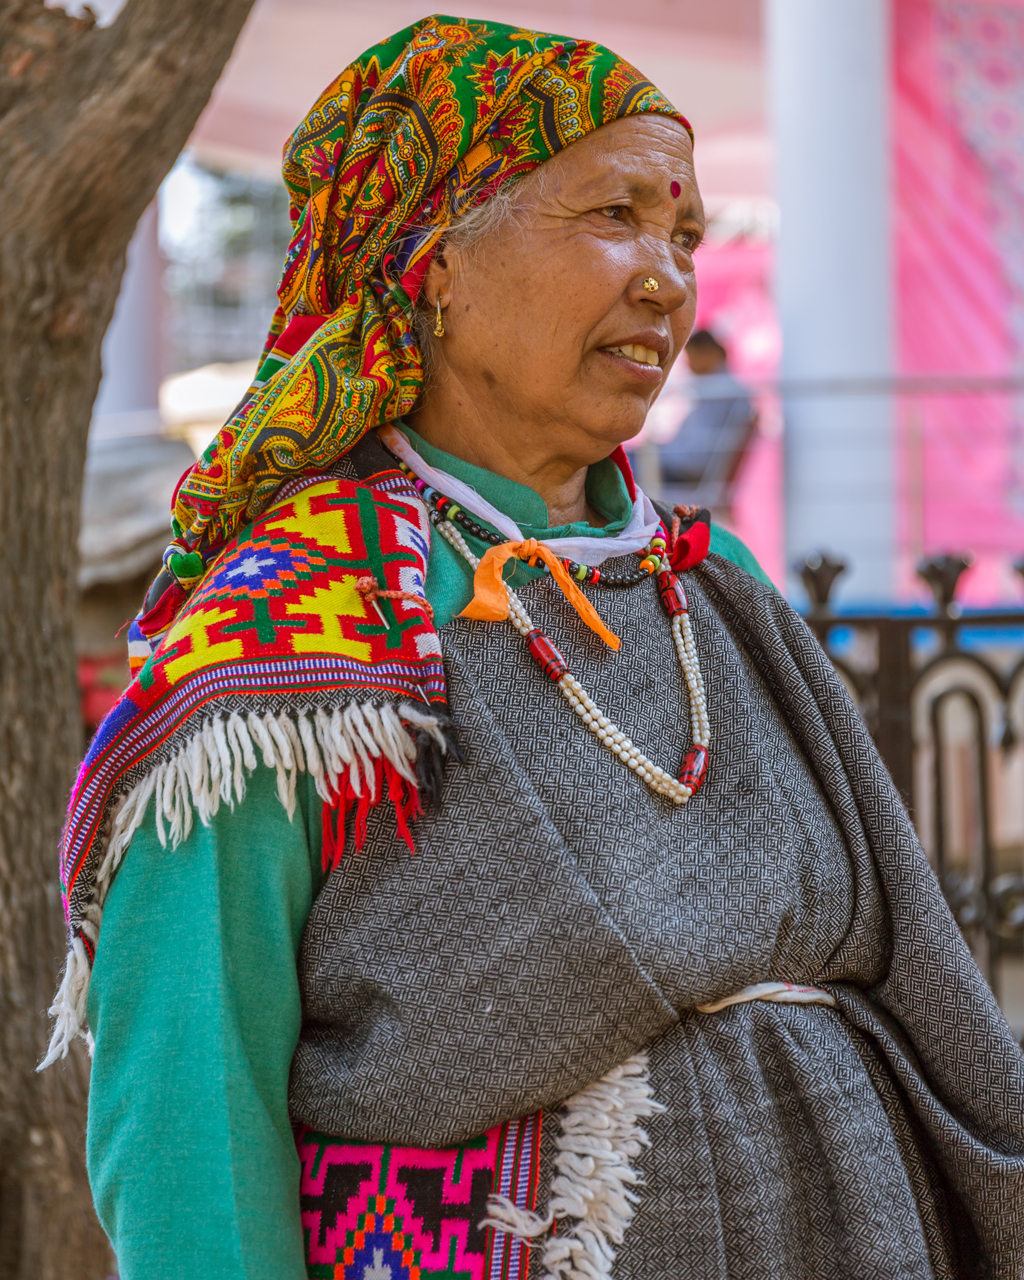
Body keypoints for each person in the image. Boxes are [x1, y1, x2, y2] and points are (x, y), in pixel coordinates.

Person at [44, 15, 1024, 1280]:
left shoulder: (709, 589)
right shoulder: (291, 633)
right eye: (613, 213)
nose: (668, 276)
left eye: (682, 233)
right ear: (435, 259)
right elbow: (191, 1102)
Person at [659, 329, 755, 502]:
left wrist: (656, 449)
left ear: (709, 353)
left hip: (684, 473)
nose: (689, 365)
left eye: (692, 357)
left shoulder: (718, 390)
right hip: (687, 470)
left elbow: (694, 454)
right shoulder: (727, 389)